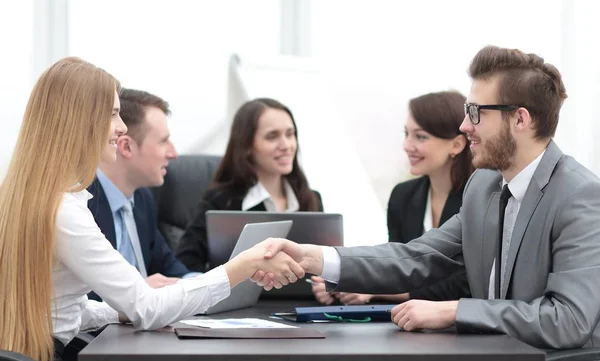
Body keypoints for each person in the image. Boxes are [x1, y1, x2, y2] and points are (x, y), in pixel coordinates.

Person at [254, 45, 600, 350]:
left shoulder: (580, 196)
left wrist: (454, 310)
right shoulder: (483, 186)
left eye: (476, 112)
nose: (465, 126)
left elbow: (567, 320)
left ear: (520, 119)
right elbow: (417, 256)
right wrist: (312, 258)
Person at [0, 57, 304, 361]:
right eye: (114, 114)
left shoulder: (39, 197)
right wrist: (242, 266)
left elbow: (60, 312)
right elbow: (148, 307)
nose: (121, 128)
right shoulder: (64, 211)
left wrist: (117, 312)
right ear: (82, 121)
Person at [312, 91, 473, 305]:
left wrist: (376, 290)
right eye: (406, 134)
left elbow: (466, 284)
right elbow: (395, 265)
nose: (407, 146)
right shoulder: (403, 196)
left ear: (457, 144)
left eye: (421, 136)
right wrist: (341, 284)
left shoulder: (478, 199)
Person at [176, 98, 323, 272]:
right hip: (243, 300)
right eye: (272, 136)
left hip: (305, 300)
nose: (286, 145)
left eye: (290, 134)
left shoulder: (310, 199)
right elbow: (185, 261)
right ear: (247, 146)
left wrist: (326, 285)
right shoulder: (222, 201)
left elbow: (324, 263)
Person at [87, 88, 197, 300]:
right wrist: (138, 292)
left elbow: (170, 269)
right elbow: (75, 299)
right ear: (126, 146)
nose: (173, 153)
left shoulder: (142, 199)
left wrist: (222, 283)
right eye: (164, 141)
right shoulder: (81, 202)